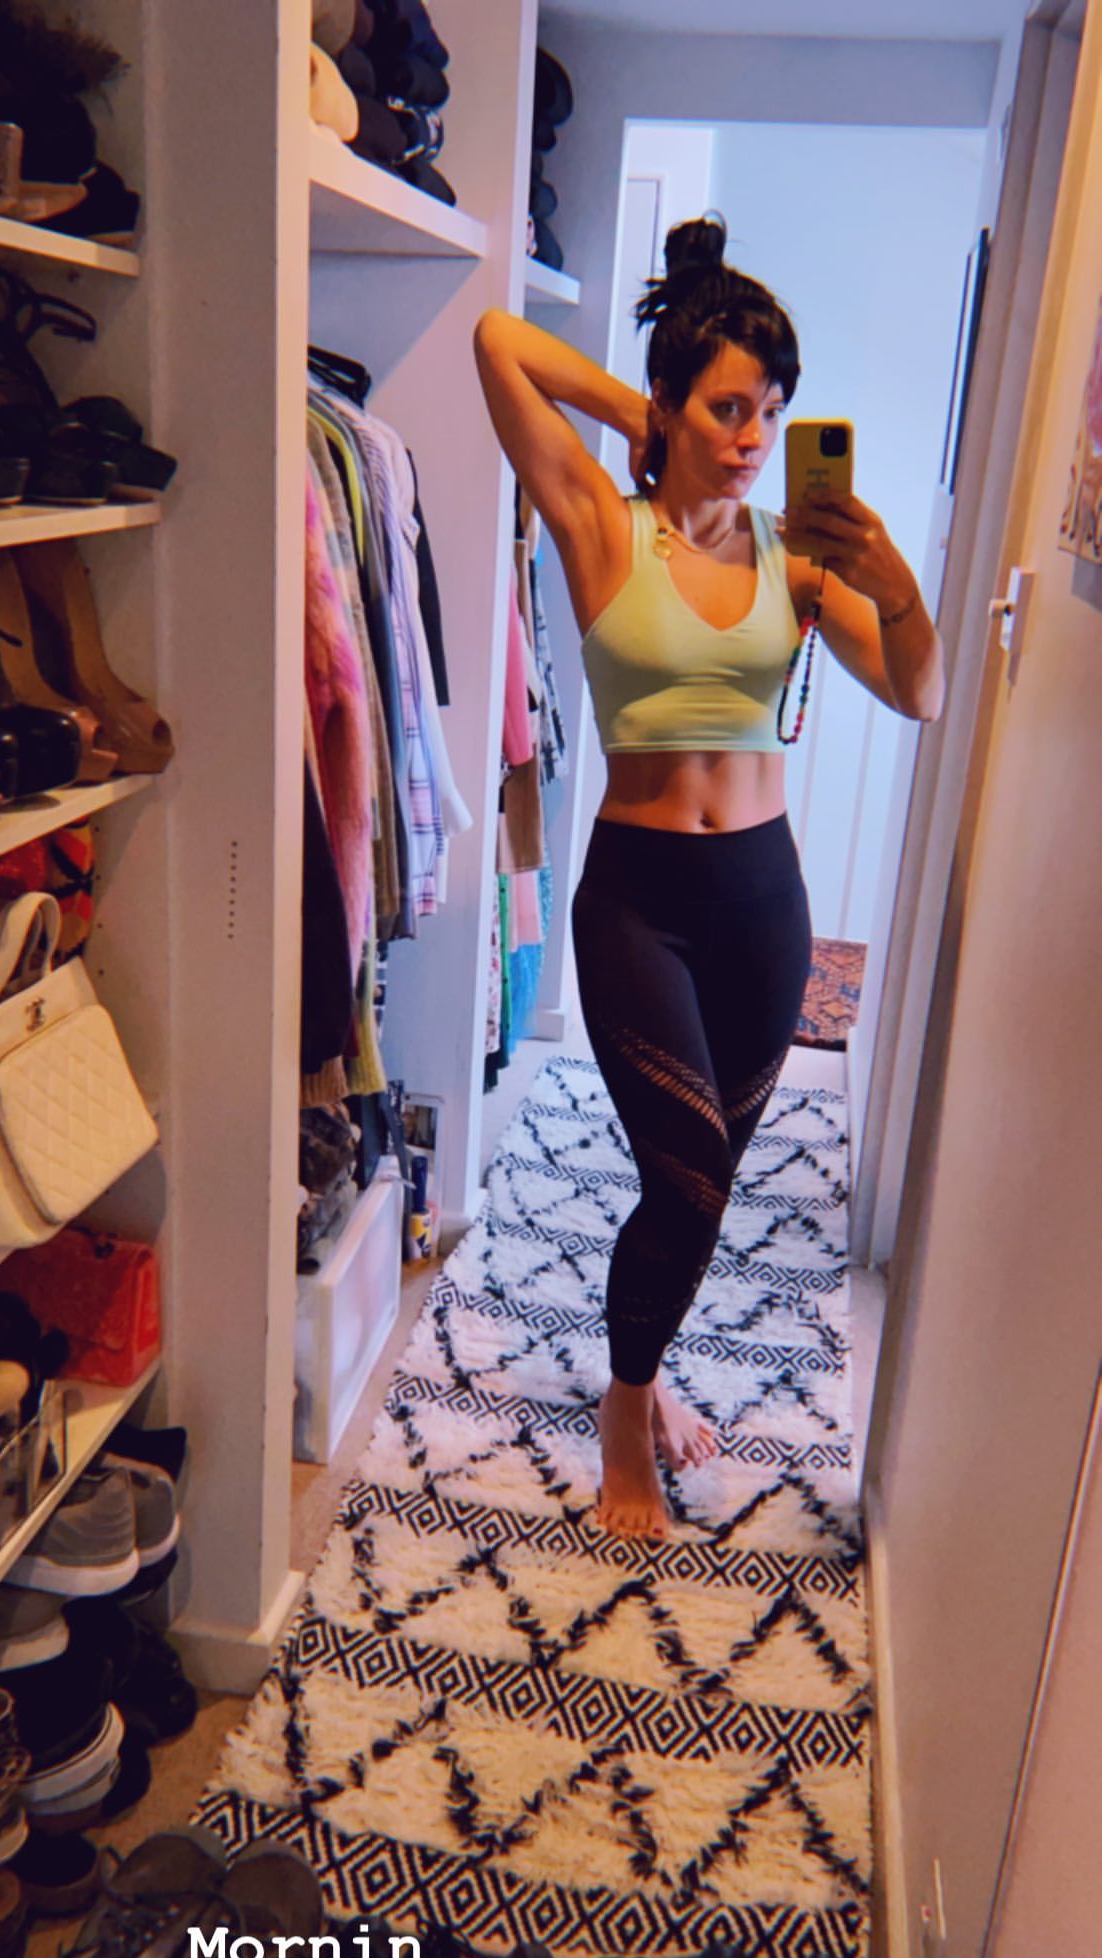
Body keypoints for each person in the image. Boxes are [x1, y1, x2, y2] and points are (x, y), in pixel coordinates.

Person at [473, 214, 944, 1539]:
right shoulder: (600, 524)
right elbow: (499, 338)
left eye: (772, 411)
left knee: (705, 1187)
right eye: (728, 408)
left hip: (761, 911)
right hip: (638, 904)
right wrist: (642, 414)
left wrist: (895, 584)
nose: (753, 436)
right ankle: (627, 1417)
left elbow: (922, 692)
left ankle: (649, 1364)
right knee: (683, 1178)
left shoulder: (802, 563)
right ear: (676, 406)